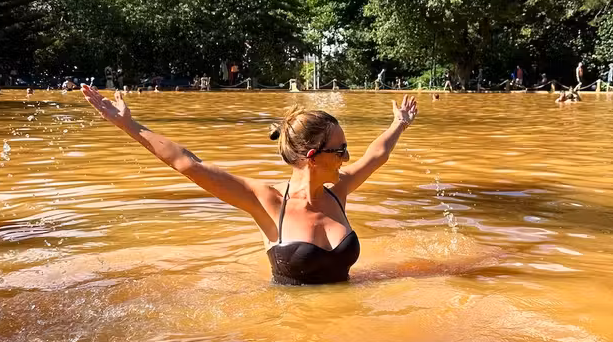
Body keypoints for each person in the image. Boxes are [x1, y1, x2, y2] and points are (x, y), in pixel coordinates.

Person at [81, 86, 418, 286]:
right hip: (289, 327)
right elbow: (190, 165)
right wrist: (129, 126)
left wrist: (398, 125)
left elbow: (378, 156)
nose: (348, 156)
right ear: (313, 156)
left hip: (345, 323)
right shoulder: (268, 202)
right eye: (341, 149)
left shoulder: (338, 190)